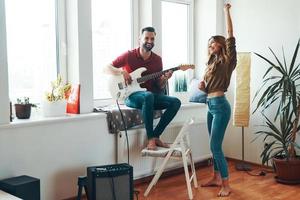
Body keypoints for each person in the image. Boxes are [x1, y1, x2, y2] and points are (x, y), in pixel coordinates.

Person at [104, 26, 181, 150]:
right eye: (146, 38)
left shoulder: (157, 60)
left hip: (149, 96)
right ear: (139, 39)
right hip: (130, 96)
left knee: (176, 102)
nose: (149, 41)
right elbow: (106, 68)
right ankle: (150, 138)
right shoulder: (129, 55)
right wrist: (121, 72)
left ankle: (156, 136)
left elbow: (158, 85)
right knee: (148, 96)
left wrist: (165, 78)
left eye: (152, 38)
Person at [198, 3, 236, 197]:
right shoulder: (211, 62)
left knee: (215, 146)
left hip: (221, 107)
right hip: (210, 105)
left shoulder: (228, 60)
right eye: (209, 43)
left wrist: (226, 12)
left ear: (221, 44)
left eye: (213, 42)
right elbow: (209, 85)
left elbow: (230, 33)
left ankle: (226, 185)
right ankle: (215, 177)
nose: (210, 45)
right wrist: (203, 86)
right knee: (213, 145)